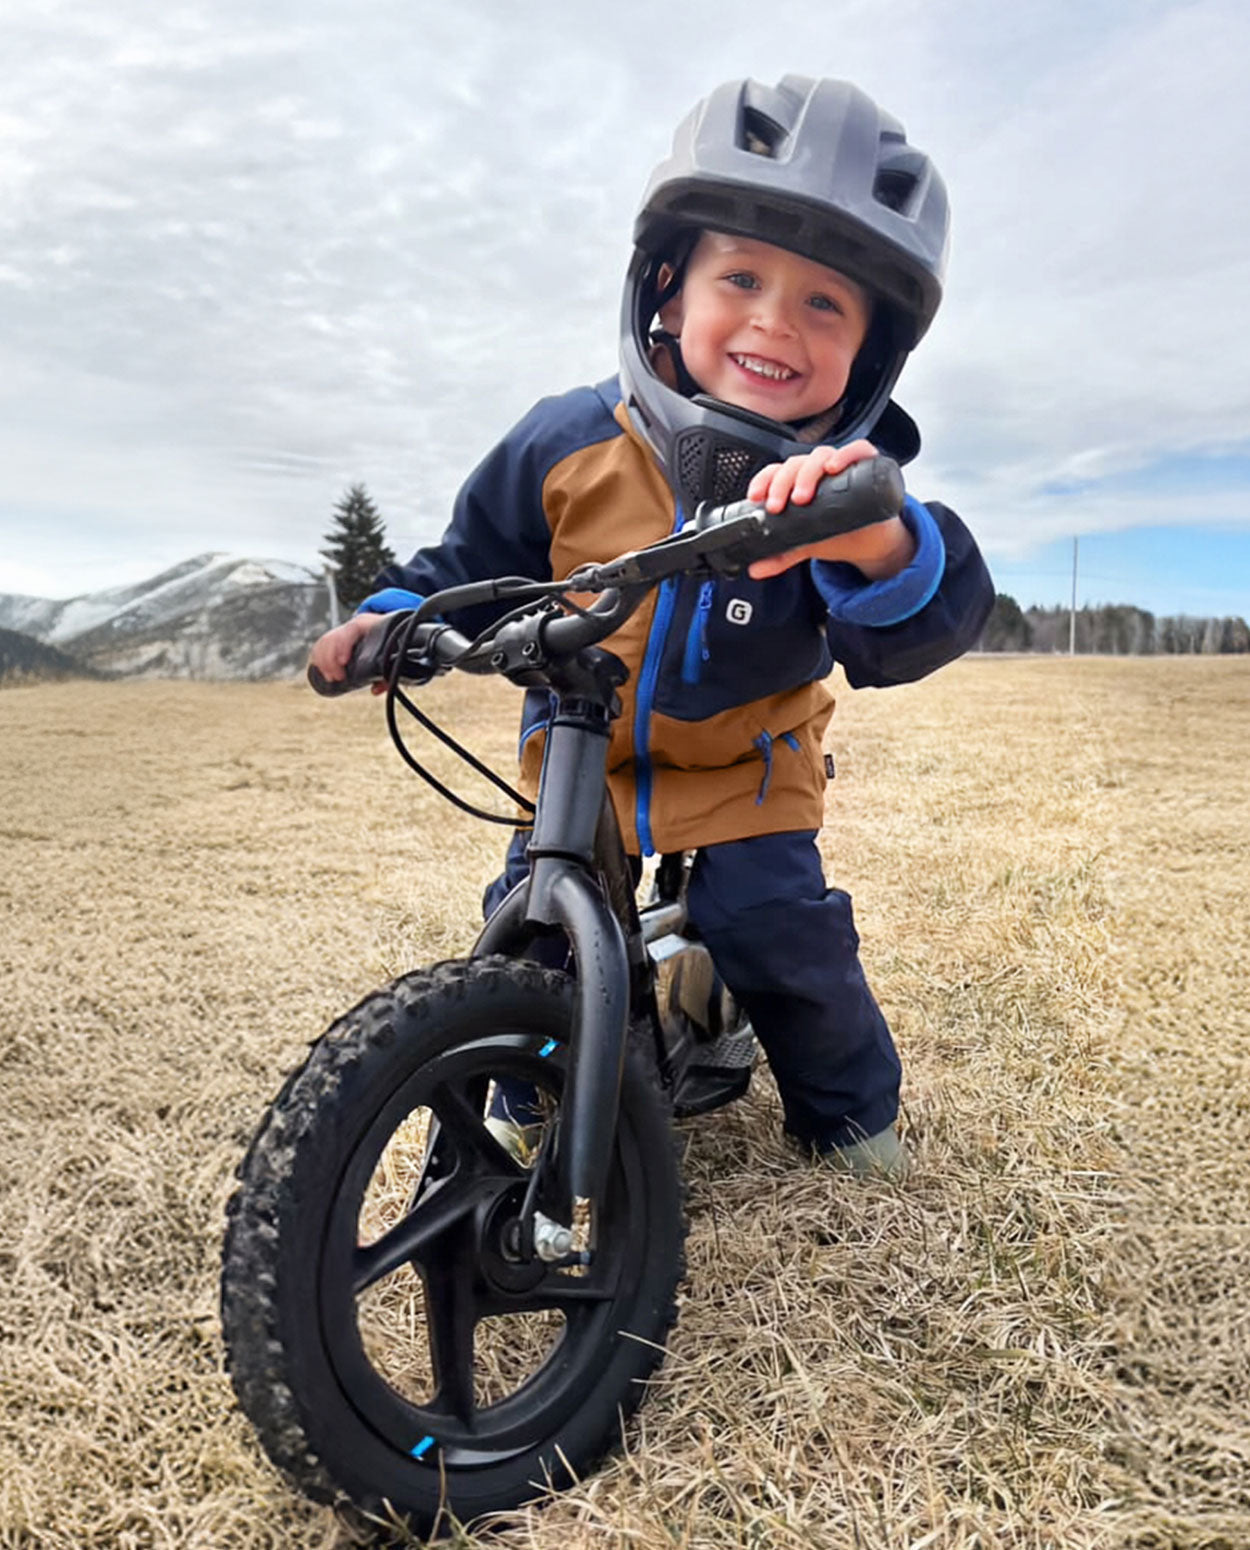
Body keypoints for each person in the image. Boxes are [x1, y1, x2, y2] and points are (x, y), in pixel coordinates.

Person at [309, 75, 994, 1178]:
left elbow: (922, 616)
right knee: (535, 929)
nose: (775, 319)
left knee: (778, 927)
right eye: (742, 277)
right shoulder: (563, 439)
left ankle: (849, 1117)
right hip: (579, 755)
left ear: (869, 353)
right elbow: (469, 560)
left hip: (745, 764)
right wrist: (390, 614)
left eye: (825, 303)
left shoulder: (829, 489)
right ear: (665, 291)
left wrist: (872, 539)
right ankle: (531, 1102)